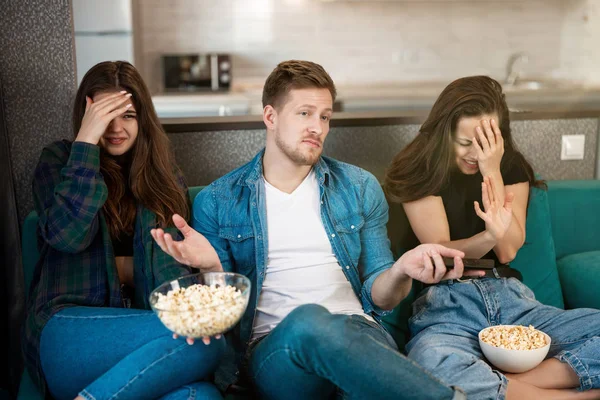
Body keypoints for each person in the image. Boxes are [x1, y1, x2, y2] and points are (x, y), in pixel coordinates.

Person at [151, 60, 486, 400]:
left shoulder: (359, 186)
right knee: (310, 321)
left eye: (325, 116)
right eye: (305, 114)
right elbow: (219, 322)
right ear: (270, 117)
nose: (318, 127)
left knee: (342, 347)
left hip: (358, 334)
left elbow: (380, 297)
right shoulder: (219, 200)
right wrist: (210, 269)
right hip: (275, 351)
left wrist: (401, 270)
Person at [384, 75, 600, 400]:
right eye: (465, 143)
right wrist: (488, 236)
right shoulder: (418, 168)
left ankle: (499, 384)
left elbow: (509, 249)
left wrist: (492, 171)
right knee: (429, 364)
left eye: (485, 143)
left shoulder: (507, 167)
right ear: (444, 134)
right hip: (448, 302)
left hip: (513, 299)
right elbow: (440, 253)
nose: (475, 153)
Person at [23, 61, 225, 400]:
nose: (116, 127)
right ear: (87, 116)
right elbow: (67, 237)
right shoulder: (58, 160)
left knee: (200, 395)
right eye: (105, 115)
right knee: (205, 340)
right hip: (66, 331)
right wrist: (86, 141)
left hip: (144, 343)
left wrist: (205, 271)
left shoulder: (164, 177)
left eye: (128, 115)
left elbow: (173, 275)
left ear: (142, 118)